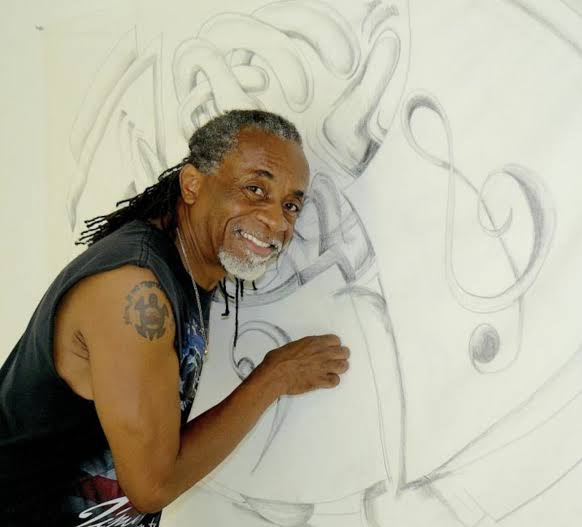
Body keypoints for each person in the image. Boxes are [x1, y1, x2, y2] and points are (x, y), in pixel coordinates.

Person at [0, 110, 350, 526]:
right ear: (192, 184)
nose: (276, 220)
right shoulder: (134, 288)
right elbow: (152, 487)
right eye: (255, 189)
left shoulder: (189, 269)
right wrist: (274, 378)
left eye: (290, 205)